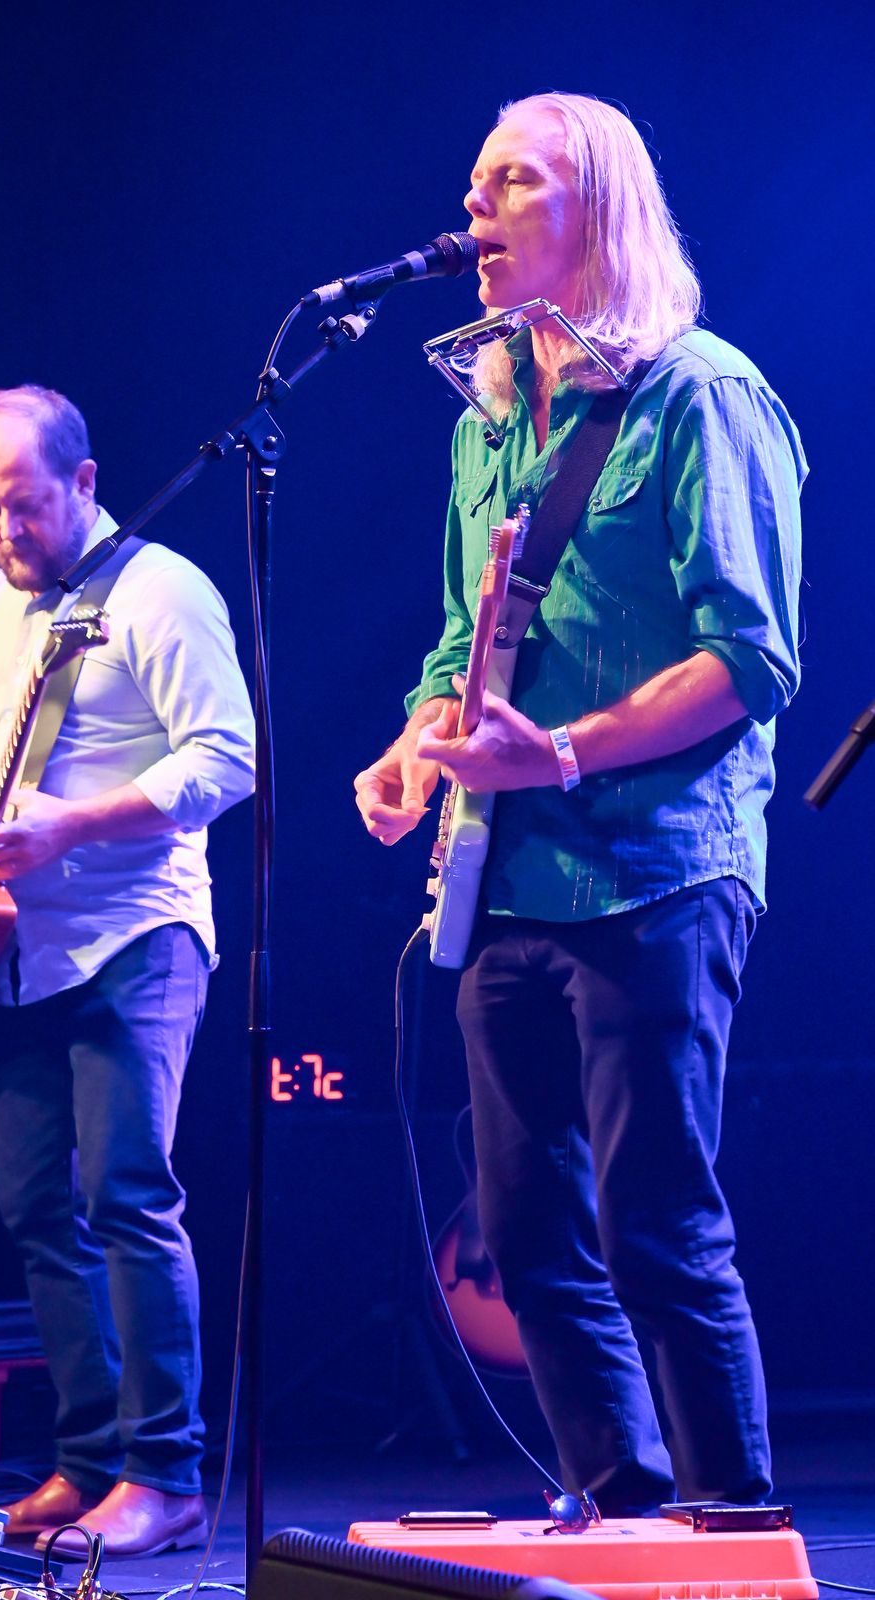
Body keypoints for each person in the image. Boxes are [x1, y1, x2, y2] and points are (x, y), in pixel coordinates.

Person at [354, 94, 803, 1514]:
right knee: (522, 1233)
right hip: (503, 878)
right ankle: (624, 1512)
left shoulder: (700, 395)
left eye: (510, 183)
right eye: (471, 182)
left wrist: (554, 751)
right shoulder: (487, 419)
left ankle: (732, 1531)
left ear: (593, 207)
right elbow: (459, 640)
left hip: (655, 871)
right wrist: (415, 744)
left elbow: (749, 660)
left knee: (655, 1222)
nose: (471, 208)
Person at [0, 385, 254, 1552]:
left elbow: (227, 760)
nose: (6, 531)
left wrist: (74, 825)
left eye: (25, 505)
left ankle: (167, 1474)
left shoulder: (160, 591)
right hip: (9, 953)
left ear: (86, 481)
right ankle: (91, 1458)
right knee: (36, 1211)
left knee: (125, 1192)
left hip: (136, 935)